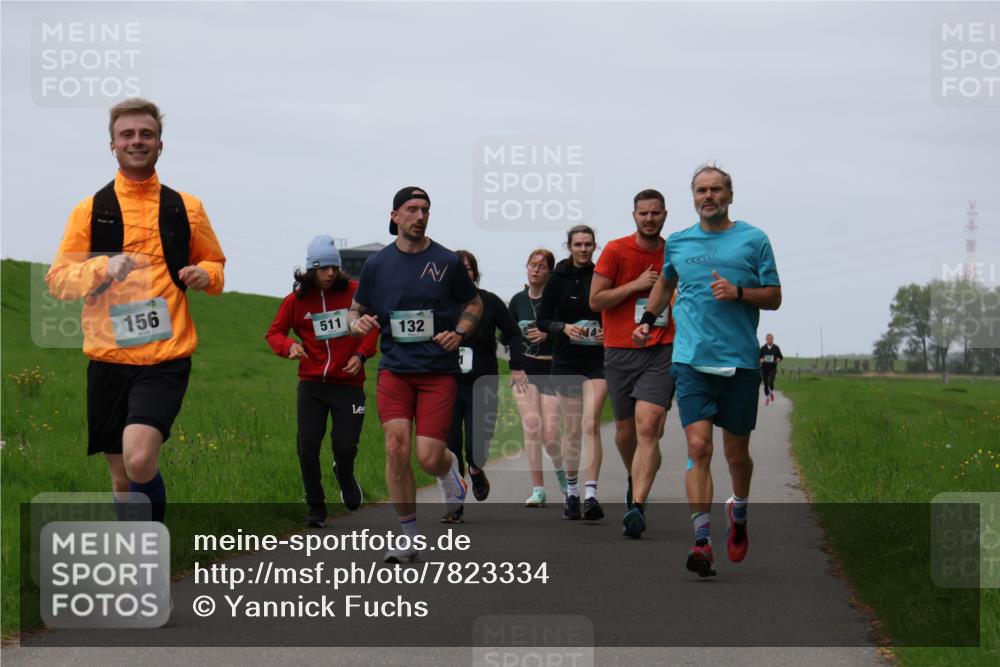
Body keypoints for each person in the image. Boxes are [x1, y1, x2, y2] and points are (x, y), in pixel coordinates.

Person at [45, 98, 226, 523]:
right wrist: (101, 267)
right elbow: (58, 281)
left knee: (140, 459)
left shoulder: (187, 208)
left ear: (161, 144)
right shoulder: (90, 210)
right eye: (127, 134)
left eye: (146, 134)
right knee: (123, 477)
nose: (137, 141)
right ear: (112, 145)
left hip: (165, 357)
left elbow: (214, 264)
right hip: (107, 359)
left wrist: (205, 275)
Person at [635, 164, 781, 577]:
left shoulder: (754, 240)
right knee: (699, 448)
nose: (709, 196)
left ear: (730, 195)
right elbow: (665, 282)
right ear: (693, 197)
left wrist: (739, 293)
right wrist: (649, 318)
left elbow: (774, 297)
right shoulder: (679, 242)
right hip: (690, 360)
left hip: (738, 362)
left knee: (737, 455)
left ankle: (739, 511)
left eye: (716, 189)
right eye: (701, 190)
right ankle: (701, 542)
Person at [349, 187, 483, 563]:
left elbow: (474, 302)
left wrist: (458, 332)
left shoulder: (446, 261)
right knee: (395, 448)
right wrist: (357, 324)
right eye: (411, 209)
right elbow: (355, 309)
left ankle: (449, 473)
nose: (419, 215)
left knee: (428, 458)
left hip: (437, 371)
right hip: (394, 370)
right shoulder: (377, 264)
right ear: (395, 216)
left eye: (425, 209)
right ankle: (408, 536)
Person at [265, 236, 379, 527]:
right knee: (307, 446)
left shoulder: (355, 293)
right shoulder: (297, 300)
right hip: (312, 386)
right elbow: (274, 332)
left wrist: (362, 355)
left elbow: (373, 327)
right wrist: (288, 346)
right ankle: (316, 507)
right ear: (311, 270)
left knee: (344, 445)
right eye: (323, 268)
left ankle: (344, 472)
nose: (329, 274)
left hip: (349, 385)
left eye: (334, 268)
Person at [590, 189, 675, 539]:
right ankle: (634, 476)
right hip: (620, 349)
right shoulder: (615, 250)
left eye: (655, 213)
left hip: (663, 348)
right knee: (626, 432)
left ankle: (637, 504)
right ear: (634, 215)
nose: (650, 219)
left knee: (649, 426)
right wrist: (636, 285)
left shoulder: (675, 251)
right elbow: (597, 300)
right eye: (644, 213)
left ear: (665, 215)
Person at [442, 250, 527, 521]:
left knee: (478, 444)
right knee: (452, 444)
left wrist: (516, 365)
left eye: (468, 269)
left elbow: (513, 333)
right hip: (449, 382)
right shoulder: (441, 304)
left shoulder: (489, 302)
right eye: (459, 269)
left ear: (475, 274)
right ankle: (455, 505)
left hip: (483, 383)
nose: (464, 273)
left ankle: (476, 470)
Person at [535, 225, 608, 521]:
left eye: (588, 244)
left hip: (597, 361)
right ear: (569, 246)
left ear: (594, 247)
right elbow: (542, 321)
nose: (583, 249)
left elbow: (612, 310)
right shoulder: (556, 279)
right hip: (566, 361)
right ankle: (572, 492)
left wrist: (608, 332)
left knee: (591, 424)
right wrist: (563, 328)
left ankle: (591, 495)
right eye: (578, 244)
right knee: (574, 429)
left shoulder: (601, 276)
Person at [508, 249, 568, 507]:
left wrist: (549, 334)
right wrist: (514, 367)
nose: (535, 270)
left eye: (541, 266)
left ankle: (563, 475)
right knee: (532, 427)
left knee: (551, 435)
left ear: (549, 272)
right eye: (532, 265)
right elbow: (509, 337)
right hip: (525, 370)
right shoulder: (518, 301)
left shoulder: (557, 301)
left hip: (552, 370)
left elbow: (570, 332)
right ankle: (538, 489)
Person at [759, 334, 783, 405]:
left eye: (771, 339)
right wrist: (761, 360)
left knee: (771, 381)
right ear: (766, 340)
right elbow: (759, 357)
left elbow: (780, 357)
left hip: (772, 367)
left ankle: (771, 392)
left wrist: (778, 359)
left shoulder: (776, 348)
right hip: (764, 368)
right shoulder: (763, 348)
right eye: (768, 339)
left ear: (773, 339)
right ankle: (767, 398)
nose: (770, 340)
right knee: (766, 384)